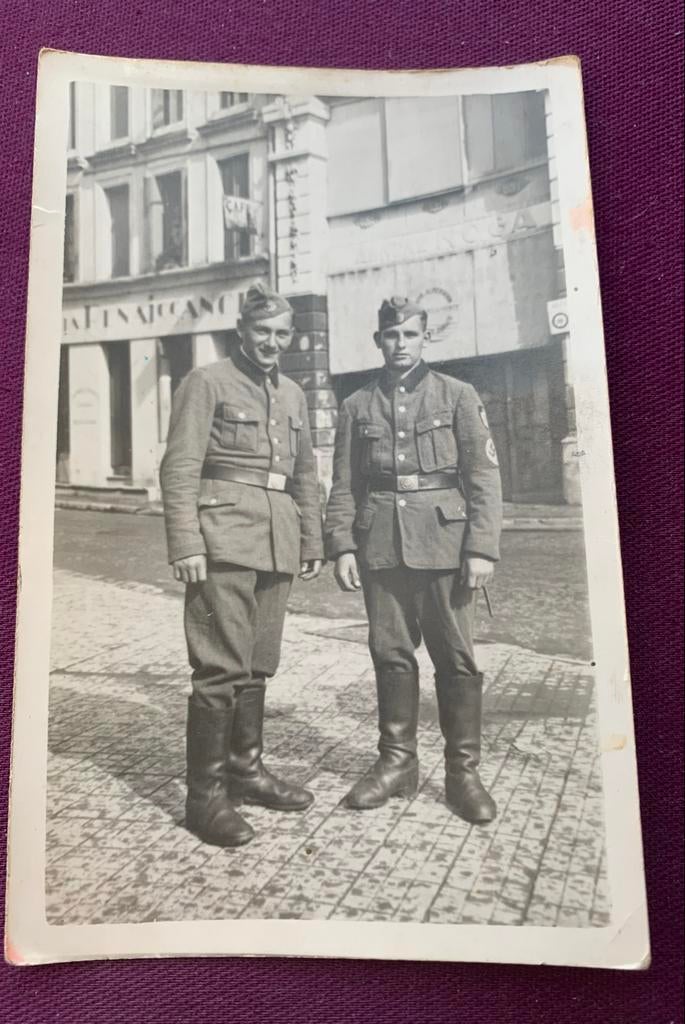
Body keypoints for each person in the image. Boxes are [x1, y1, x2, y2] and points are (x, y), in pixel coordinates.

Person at [325, 295, 502, 824]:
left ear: (425, 339)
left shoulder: (458, 395)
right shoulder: (357, 406)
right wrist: (342, 545)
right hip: (381, 548)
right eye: (391, 336)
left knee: (456, 660)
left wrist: (481, 547)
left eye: (410, 336)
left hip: (446, 548)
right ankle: (397, 763)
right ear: (378, 341)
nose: (400, 345)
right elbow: (344, 485)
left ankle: (462, 774)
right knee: (391, 656)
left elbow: (485, 477)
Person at [160, 283, 323, 848]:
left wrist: (311, 539)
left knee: (258, 665)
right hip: (224, 537)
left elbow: (304, 474)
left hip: (277, 538)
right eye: (263, 332)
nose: (273, 342)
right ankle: (204, 798)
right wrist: (186, 544)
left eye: (283, 334)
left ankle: (246, 772)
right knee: (220, 670)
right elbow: (179, 466)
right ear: (242, 332)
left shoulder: (295, 394)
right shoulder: (206, 382)